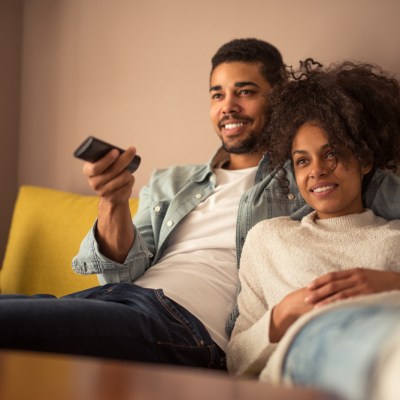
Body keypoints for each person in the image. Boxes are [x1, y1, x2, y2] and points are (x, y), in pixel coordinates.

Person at [0, 40, 398, 370]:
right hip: (120, 303)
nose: (229, 106)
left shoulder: (309, 174)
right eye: (217, 94)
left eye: (245, 91)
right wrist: (112, 201)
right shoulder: (171, 182)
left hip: (187, 326)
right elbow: (118, 273)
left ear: (279, 101)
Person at [227, 60, 400, 400]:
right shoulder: (268, 238)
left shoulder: (394, 237)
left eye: (331, 154)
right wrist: (282, 314)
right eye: (302, 161)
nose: (317, 171)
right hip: (309, 348)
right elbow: (235, 359)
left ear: (365, 161)